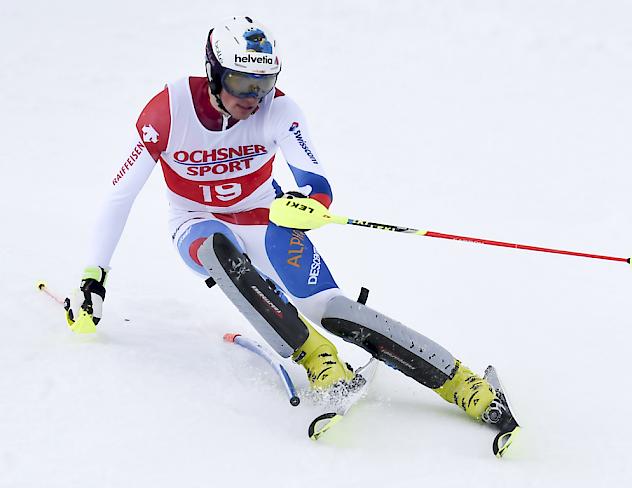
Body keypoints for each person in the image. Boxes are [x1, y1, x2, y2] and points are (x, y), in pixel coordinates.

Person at [65, 16, 506, 427]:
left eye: (264, 83)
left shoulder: (281, 109)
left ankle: (465, 385)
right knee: (221, 252)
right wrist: (93, 276)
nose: (252, 98)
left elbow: (315, 181)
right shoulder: (168, 110)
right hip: (195, 219)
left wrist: (308, 202)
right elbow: (119, 195)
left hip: (266, 216)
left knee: (331, 310)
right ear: (214, 73)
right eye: (240, 81)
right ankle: (319, 362)